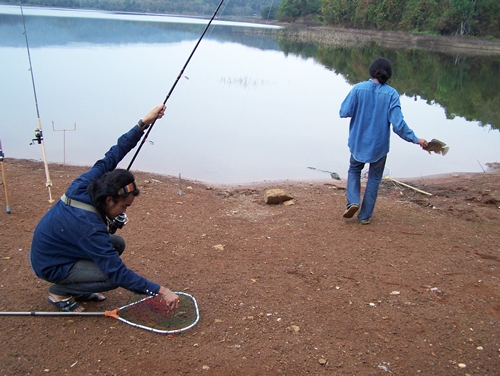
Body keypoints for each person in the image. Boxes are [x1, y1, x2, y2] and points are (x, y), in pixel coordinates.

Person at [30, 104, 179, 312]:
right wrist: (162, 290)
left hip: (60, 248)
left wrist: (144, 122)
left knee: (116, 243)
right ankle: (60, 291)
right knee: (111, 278)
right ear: (109, 200)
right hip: (50, 263)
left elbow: (114, 154)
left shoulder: (87, 183)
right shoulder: (89, 226)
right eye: (124, 206)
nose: (124, 212)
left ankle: (78, 287)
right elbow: (118, 273)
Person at [339, 57, 428, 224]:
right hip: (379, 146)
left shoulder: (358, 89)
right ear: (389, 75)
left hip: (358, 143)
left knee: (354, 170)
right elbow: (398, 125)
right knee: (373, 178)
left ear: (371, 71)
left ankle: (353, 202)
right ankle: (365, 216)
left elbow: (344, 111)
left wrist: (361, 108)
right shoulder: (392, 94)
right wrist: (416, 139)